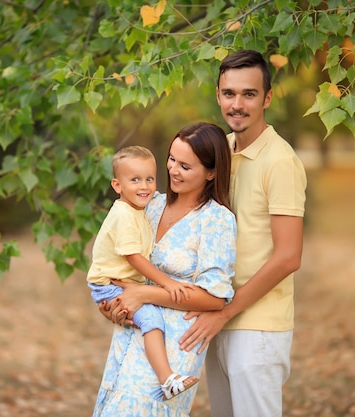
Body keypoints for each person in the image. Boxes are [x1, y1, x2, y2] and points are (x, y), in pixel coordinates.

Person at [105, 50, 307, 416]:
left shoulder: (280, 161)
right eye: (229, 93)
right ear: (218, 95)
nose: (238, 104)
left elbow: (289, 256)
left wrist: (224, 312)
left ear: (268, 97)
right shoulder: (218, 151)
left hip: (255, 323)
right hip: (206, 319)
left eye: (249, 94)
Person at [92, 122, 236, 417]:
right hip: (132, 334)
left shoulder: (216, 220)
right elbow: (119, 265)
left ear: (211, 172)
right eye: (171, 159)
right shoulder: (149, 205)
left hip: (175, 345)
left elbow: (215, 298)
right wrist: (112, 306)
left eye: (186, 165)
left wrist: (144, 293)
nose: (173, 170)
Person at [86, 145, 199, 400]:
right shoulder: (124, 215)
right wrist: (166, 284)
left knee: (147, 318)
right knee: (151, 320)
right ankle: (167, 379)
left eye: (149, 179)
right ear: (117, 185)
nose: (144, 186)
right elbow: (134, 257)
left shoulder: (138, 208)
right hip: (109, 285)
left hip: (117, 282)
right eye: (134, 180)